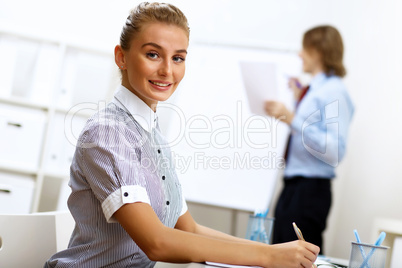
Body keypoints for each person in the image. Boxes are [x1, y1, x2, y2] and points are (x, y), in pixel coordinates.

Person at [44, 2, 319, 267]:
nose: (167, 70)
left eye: (178, 58)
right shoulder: (108, 133)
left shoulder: (153, 135)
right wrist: (268, 258)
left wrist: (270, 252)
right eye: (153, 54)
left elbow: (189, 230)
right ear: (121, 57)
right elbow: (156, 243)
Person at [264, 25, 354, 253]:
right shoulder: (313, 91)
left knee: (299, 259)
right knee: (280, 255)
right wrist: (299, 100)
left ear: (319, 51)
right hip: (294, 187)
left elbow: (335, 150)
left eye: (305, 48)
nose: (300, 54)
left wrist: (293, 118)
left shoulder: (333, 91)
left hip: (310, 191)